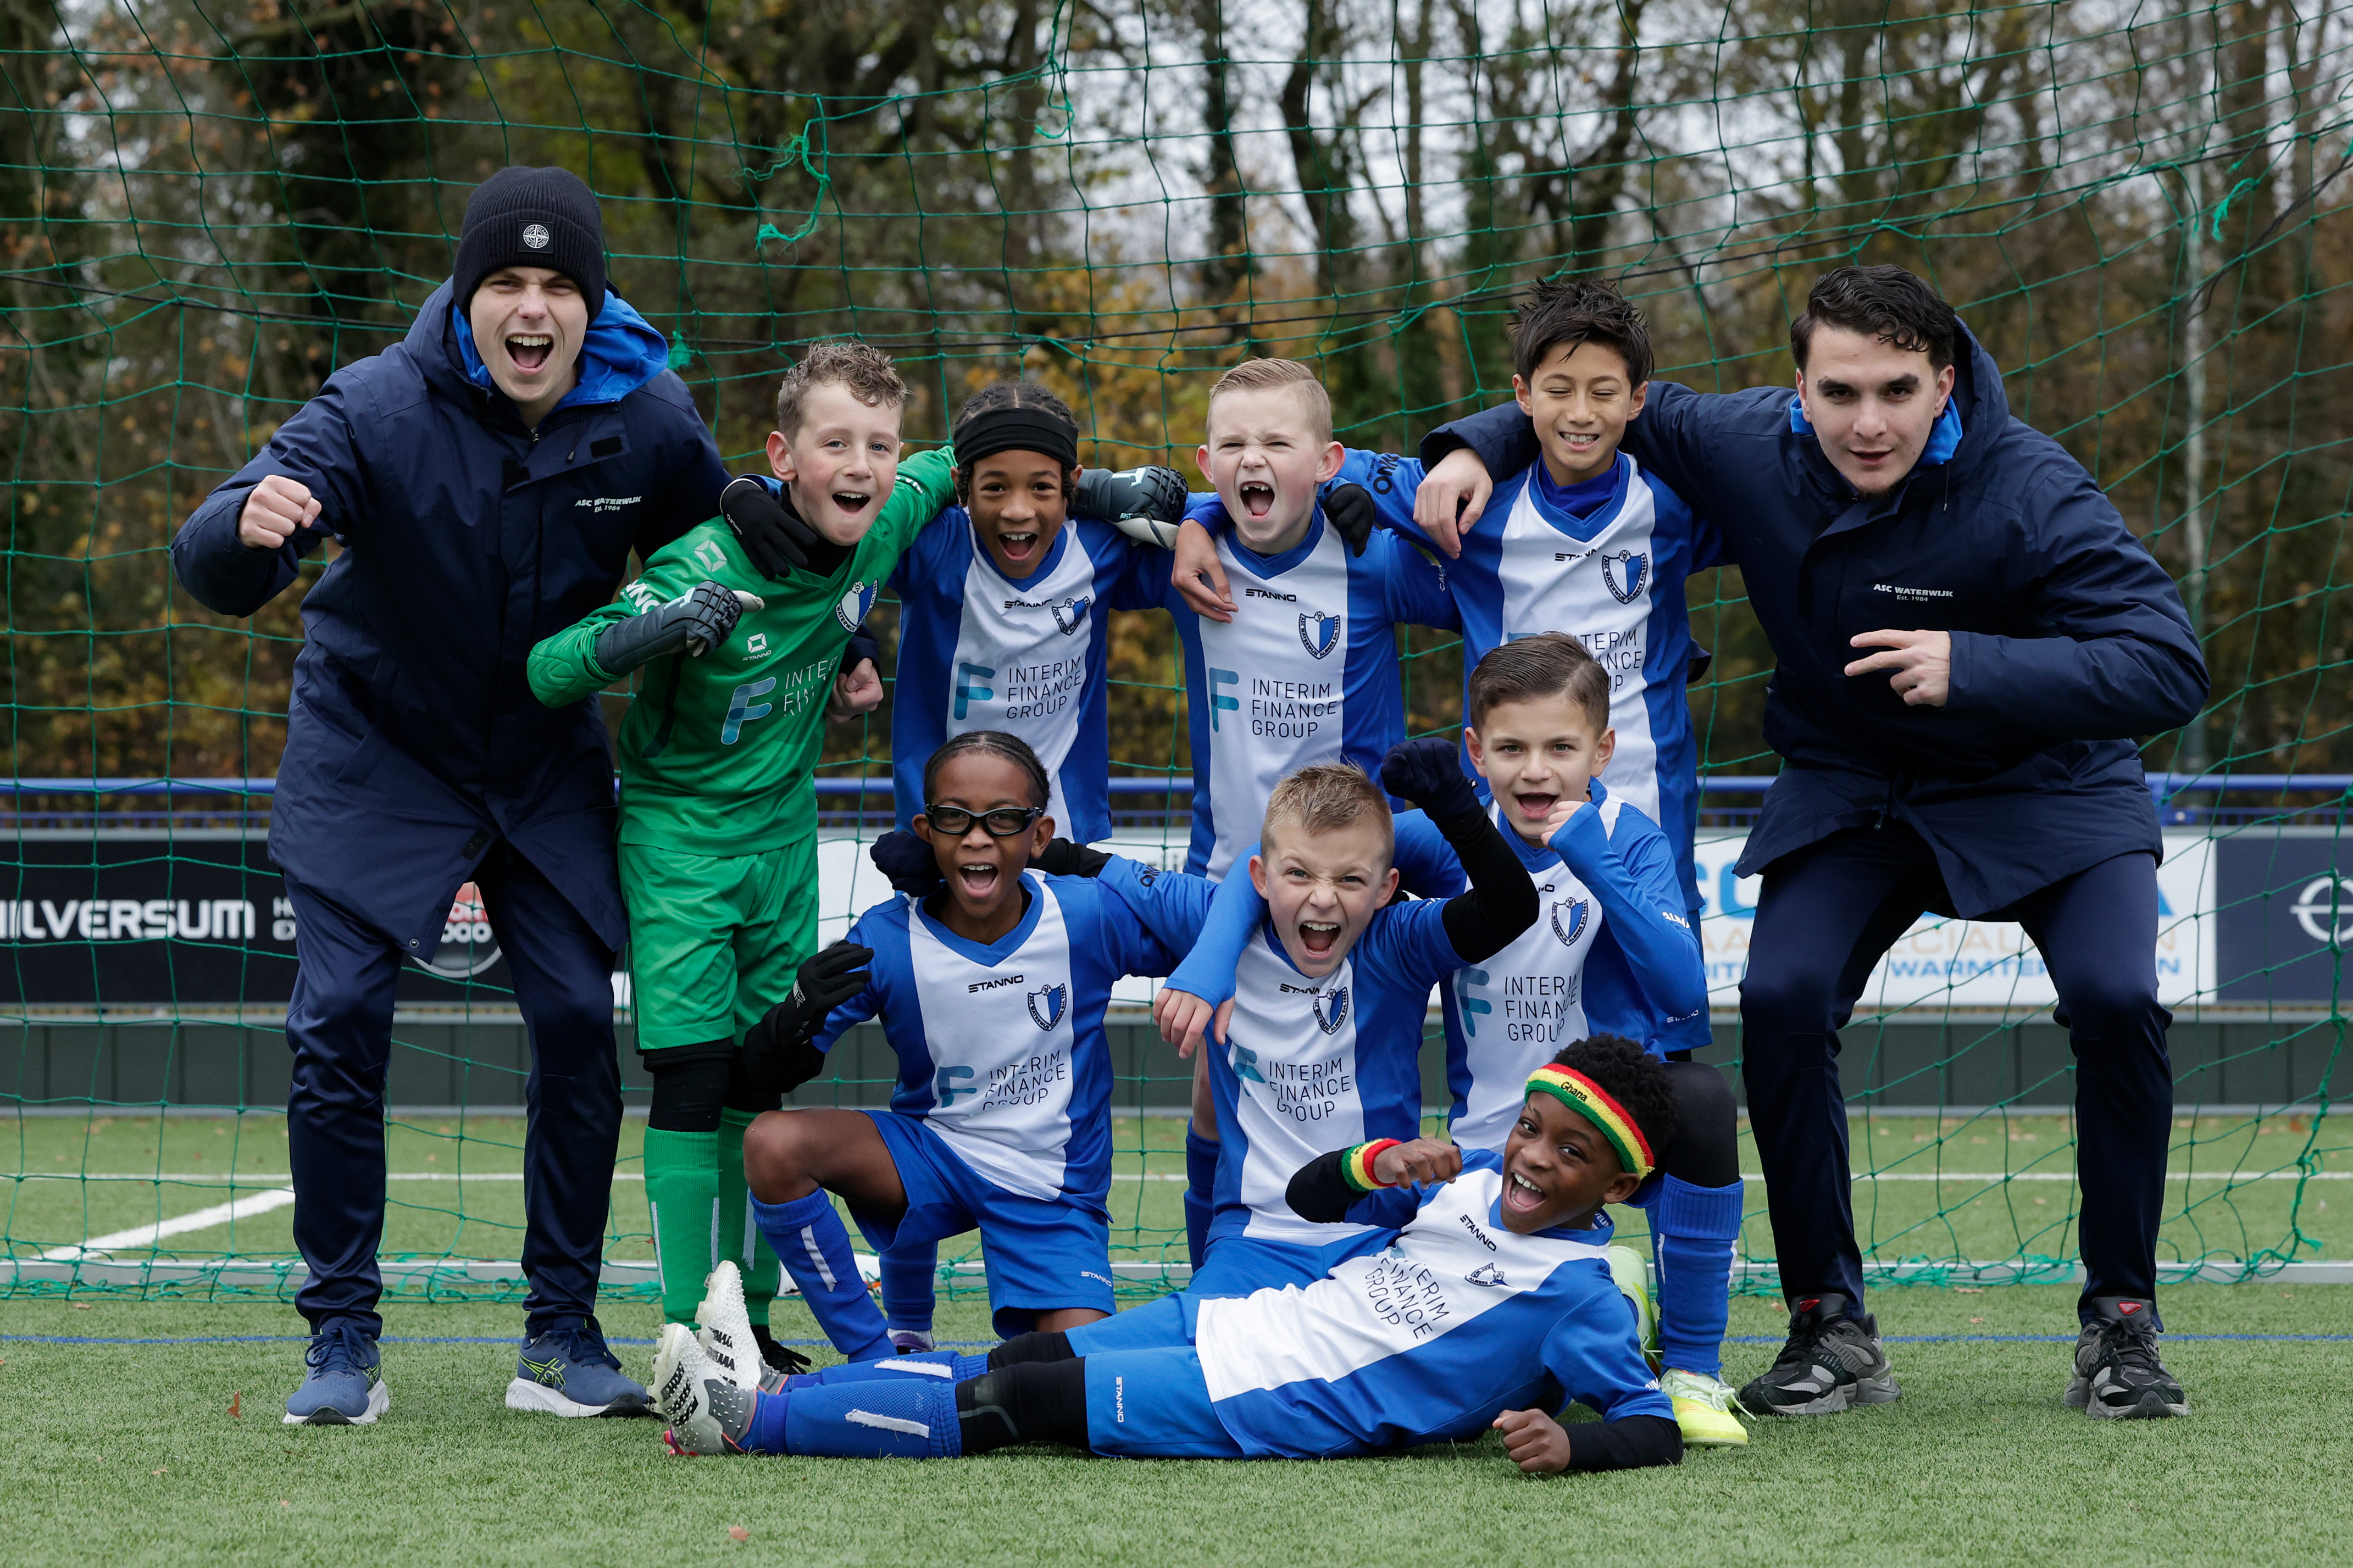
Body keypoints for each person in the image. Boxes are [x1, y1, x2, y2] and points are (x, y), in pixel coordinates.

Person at [1414, 264, 2210, 1420]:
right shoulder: (1743, 440)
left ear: (1944, 383)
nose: (1868, 421)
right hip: (1857, 790)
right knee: (1780, 994)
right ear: (1796, 387)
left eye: (1897, 389)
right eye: (1838, 392)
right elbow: (1592, 401)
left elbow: (2168, 662)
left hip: (2047, 786)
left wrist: (1975, 665)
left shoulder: (2031, 485)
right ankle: (1825, 1322)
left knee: (2114, 993)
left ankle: (2120, 1321)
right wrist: (1471, 447)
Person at [170, 166, 730, 1425]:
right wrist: (245, 526)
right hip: (376, 751)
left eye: (556, 287)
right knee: (339, 1019)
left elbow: (729, 550)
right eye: (505, 285)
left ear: (590, 304)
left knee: (582, 1020)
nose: (531, 310)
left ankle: (561, 1338)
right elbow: (210, 557)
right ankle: (341, 1343)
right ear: (466, 298)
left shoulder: (647, 415)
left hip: (542, 759)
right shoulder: (374, 404)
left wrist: (841, 649)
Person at [1157, 634, 1744, 1446]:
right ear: (1474, 751)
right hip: (1479, 1151)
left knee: (1706, 1100)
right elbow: (1295, 855)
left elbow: (1683, 985)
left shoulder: (1629, 835)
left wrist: (1590, 857)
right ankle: (1610, 1288)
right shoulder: (1444, 840)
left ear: (1601, 750)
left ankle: (1687, 1370)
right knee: (1453, 1339)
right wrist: (1212, 960)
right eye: (1510, 748)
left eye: (1559, 748)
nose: (1535, 771)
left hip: (1602, 1143)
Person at [651, 1035, 1683, 1475]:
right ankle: (780, 1389)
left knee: (1013, 1408)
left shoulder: (1578, 1294)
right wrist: (1375, 1160)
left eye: (1571, 1150)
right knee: (1012, 1364)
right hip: (1241, 1323)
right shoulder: (1460, 1182)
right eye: (1532, 1127)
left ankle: (752, 1420)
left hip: (1277, 1399)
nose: (1535, 1156)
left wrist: (1572, 1441)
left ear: (1619, 1186)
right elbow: (1310, 1196)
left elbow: (1650, 1425)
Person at [528, 340, 962, 1363]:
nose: (860, 464)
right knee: (688, 1080)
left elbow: (966, 456)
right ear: (783, 453)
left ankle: (753, 1324)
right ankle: (687, 1329)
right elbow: (551, 670)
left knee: (757, 1087)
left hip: (784, 840)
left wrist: (1112, 483)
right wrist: (664, 626)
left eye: (878, 444)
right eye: (834, 442)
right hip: (681, 840)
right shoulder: (702, 564)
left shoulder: (886, 515)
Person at [1168, 277, 1717, 921]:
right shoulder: (1469, 508)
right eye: (1559, 391)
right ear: (1523, 397)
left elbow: (1789, 504)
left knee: (1661, 990)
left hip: (1645, 811)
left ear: (1636, 401)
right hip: (1505, 818)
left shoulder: (1676, 505)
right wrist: (1199, 518)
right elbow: (1297, 462)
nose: (1579, 412)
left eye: (1602, 393)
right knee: (1501, 989)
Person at [869, 381, 1186, 1349]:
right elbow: (848, 523)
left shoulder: (1095, 550)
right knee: (930, 1075)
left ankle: (1058, 1253)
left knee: (1064, 1059)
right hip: (944, 845)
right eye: (993, 487)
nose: (1018, 511)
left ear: (1072, 485)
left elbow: (1187, 513)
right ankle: (908, 1319)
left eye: (1044, 488)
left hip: (1062, 851)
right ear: (961, 488)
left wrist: (1131, 497)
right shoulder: (934, 548)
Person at [1046, 741, 1539, 1348]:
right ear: (1259, 875)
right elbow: (1087, 863)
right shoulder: (1209, 920)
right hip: (1253, 1243)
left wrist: (1453, 805)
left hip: (1378, 1243)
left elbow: (1511, 907)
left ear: (1386, 888)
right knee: (1193, 1358)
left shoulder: (1397, 943)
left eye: (1350, 879)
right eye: (1299, 872)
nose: (1323, 897)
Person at [718, 731, 1179, 1364]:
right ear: (925, 829)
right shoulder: (886, 935)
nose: (978, 836)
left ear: (1038, 835)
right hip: (931, 1157)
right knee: (770, 1142)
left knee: (1076, 1375)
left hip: (1050, 1188)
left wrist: (1095, 867)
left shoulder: (1086, 914)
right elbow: (756, 1082)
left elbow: (1211, 919)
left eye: (1004, 820)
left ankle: (952, 1341)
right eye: (955, 818)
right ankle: (877, 1358)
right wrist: (795, 1011)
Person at [1144, 357, 1462, 1271]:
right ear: (1206, 462)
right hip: (1233, 871)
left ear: (1322, 460)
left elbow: (1473, 560)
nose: (1255, 459)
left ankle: (1398, 1239)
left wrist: (1368, 482)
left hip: (1354, 880)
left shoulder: (1367, 561)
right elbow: (1052, 514)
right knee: (1220, 1082)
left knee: (1371, 1066)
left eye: (1278, 443)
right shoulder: (1186, 561)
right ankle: (1217, 1262)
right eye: (1235, 445)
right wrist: (1191, 522)